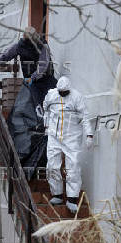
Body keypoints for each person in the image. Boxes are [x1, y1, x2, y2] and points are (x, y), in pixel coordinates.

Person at [43, 76, 94, 213]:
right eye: (60, 92)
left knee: (73, 166)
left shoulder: (77, 97)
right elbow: (46, 109)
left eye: (64, 92)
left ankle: (72, 198)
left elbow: (85, 117)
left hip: (72, 137)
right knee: (52, 165)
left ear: (69, 90)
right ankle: (57, 194)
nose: (62, 94)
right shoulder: (51, 95)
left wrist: (89, 134)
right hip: (54, 136)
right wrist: (46, 125)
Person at [0, 26, 57, 106]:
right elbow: (5, 55)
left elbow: (43, 66)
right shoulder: (20, 46)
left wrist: (33, 77)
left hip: (47, 79)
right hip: (32, 82)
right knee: (35, 104)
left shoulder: (43, 45)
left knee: (51, 103)